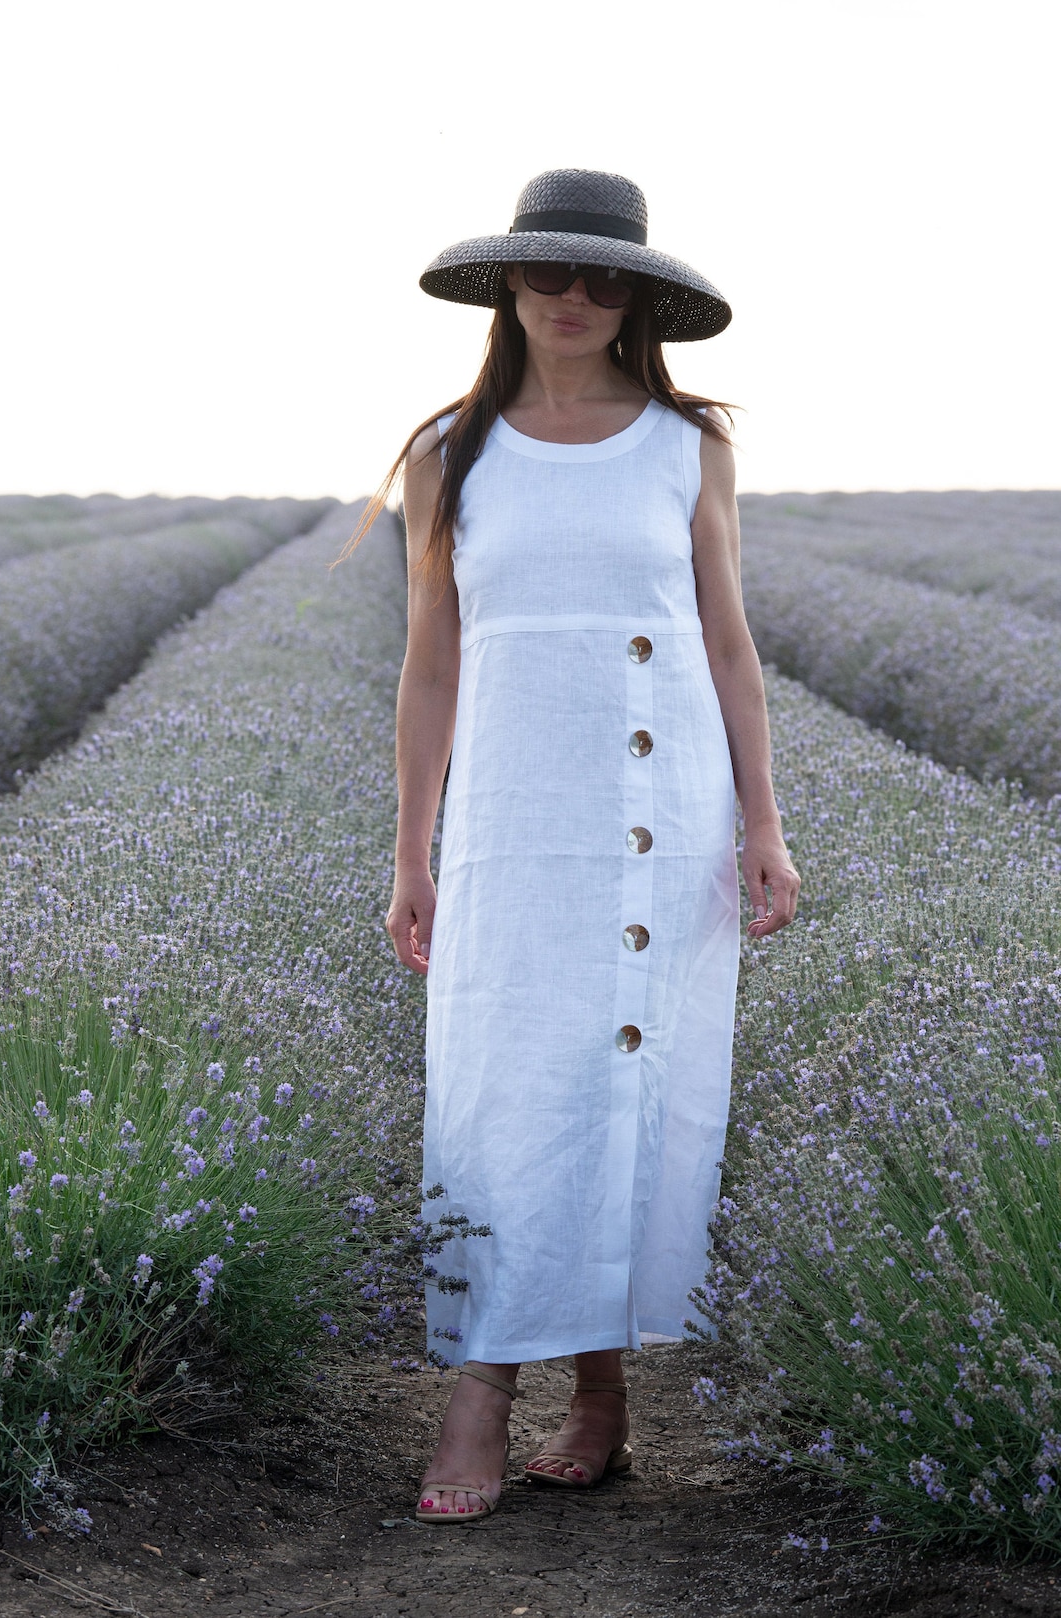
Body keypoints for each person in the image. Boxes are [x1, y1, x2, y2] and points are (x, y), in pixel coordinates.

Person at [350, 168, 799, 1525]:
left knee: (625, 1083)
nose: (576, 297)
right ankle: (483, 1383)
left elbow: (729, 642)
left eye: (606, 277)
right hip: (514, 816)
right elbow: (432, 666)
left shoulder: (687, 444)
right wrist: (411, 853)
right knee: (504, 1086)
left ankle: (597, 1398)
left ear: (639, 299)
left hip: (662, 811)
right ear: (509, 282)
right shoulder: (450, 452)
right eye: (551, 270)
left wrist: (765, 824)